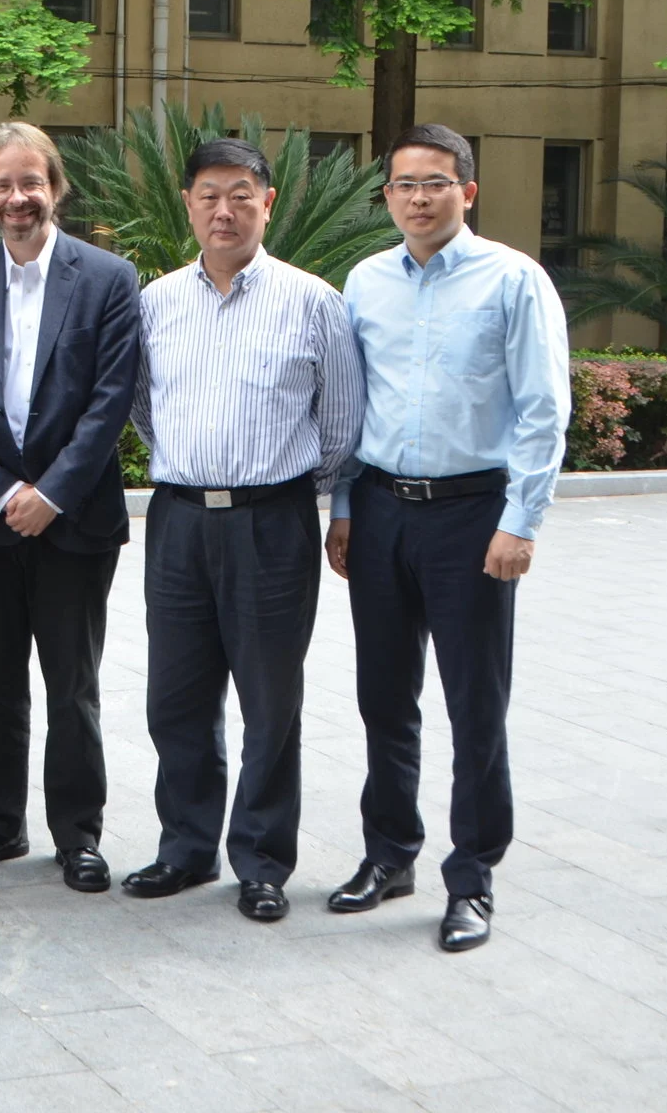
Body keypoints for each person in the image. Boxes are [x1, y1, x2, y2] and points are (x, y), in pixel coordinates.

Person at [326, 124, 569, 953]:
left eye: (435, 183)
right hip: (383, 509)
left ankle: (471, 879)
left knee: (475, 704)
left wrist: (519, 522)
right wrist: (345, 510)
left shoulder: (514, 281)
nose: (418, 198)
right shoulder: (364, 282)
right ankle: (389, 854)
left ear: (467, 190)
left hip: (474, 516)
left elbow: (543, 410)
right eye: (403, 185)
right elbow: (350, 408)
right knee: (384, 697)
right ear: (387, 196)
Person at [122, 138, 363, 922]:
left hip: (272, 524)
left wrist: (315, 501)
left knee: (270, 700)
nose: (223, 210)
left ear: (269, 201)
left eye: (240, 195)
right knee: (176, 698)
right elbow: (143, 405)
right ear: (187, 203)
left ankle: (261, 859)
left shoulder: (313, 302)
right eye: (207, 195)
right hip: (180, 520)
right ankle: (185, 848)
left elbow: (340, 424)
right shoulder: (155, 303)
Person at [0, 123, 142, 891]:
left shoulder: (108, 279)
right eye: (1, 185)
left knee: (72, 683)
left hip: (76, 521)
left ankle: (78, 834)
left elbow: (110, 402)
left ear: (56, 188)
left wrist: (51, 494)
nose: (17, 198)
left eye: (32, 183)